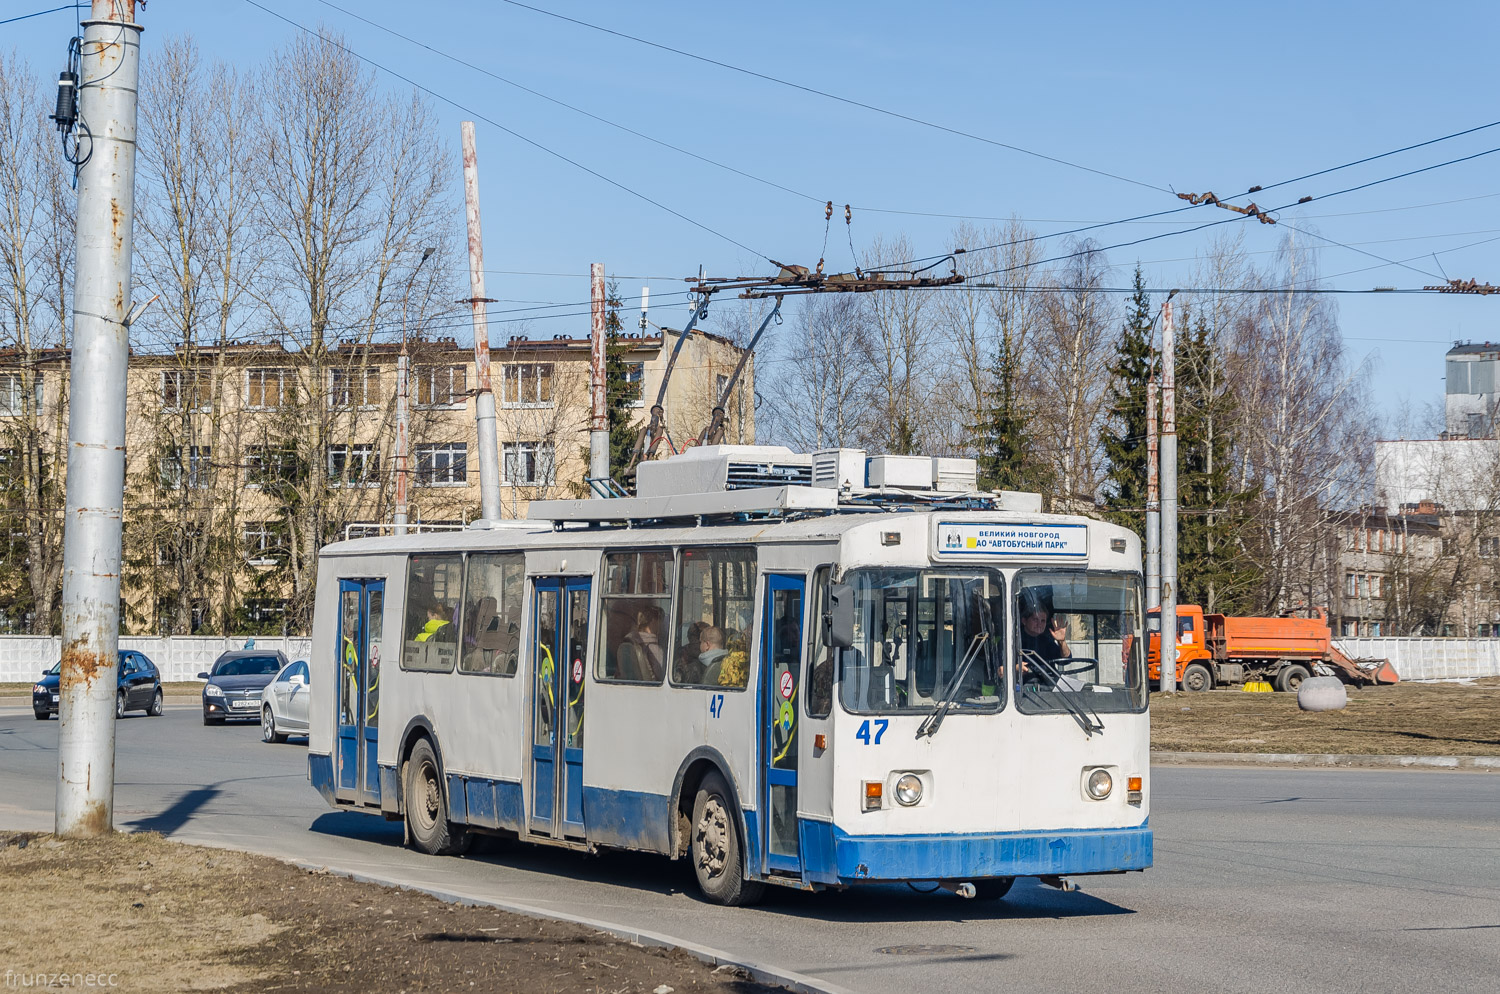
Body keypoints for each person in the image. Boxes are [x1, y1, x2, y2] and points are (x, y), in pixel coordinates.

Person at [1018, 586, 1069, 665]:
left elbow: (1066, 660)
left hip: (1047, 677)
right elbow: (1000, 670)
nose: (1039, 624)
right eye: (1035, 620)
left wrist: (1062, 642)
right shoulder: (1014, 641)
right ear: (1024, 620)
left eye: (1043, 621)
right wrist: (1016, 668)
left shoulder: (1046, 641)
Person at [620, 605, 665, 680]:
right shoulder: (653, 647)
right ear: (654, 620)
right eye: (661, 621)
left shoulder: (630, 640)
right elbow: (662, 675)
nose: (662, 625)